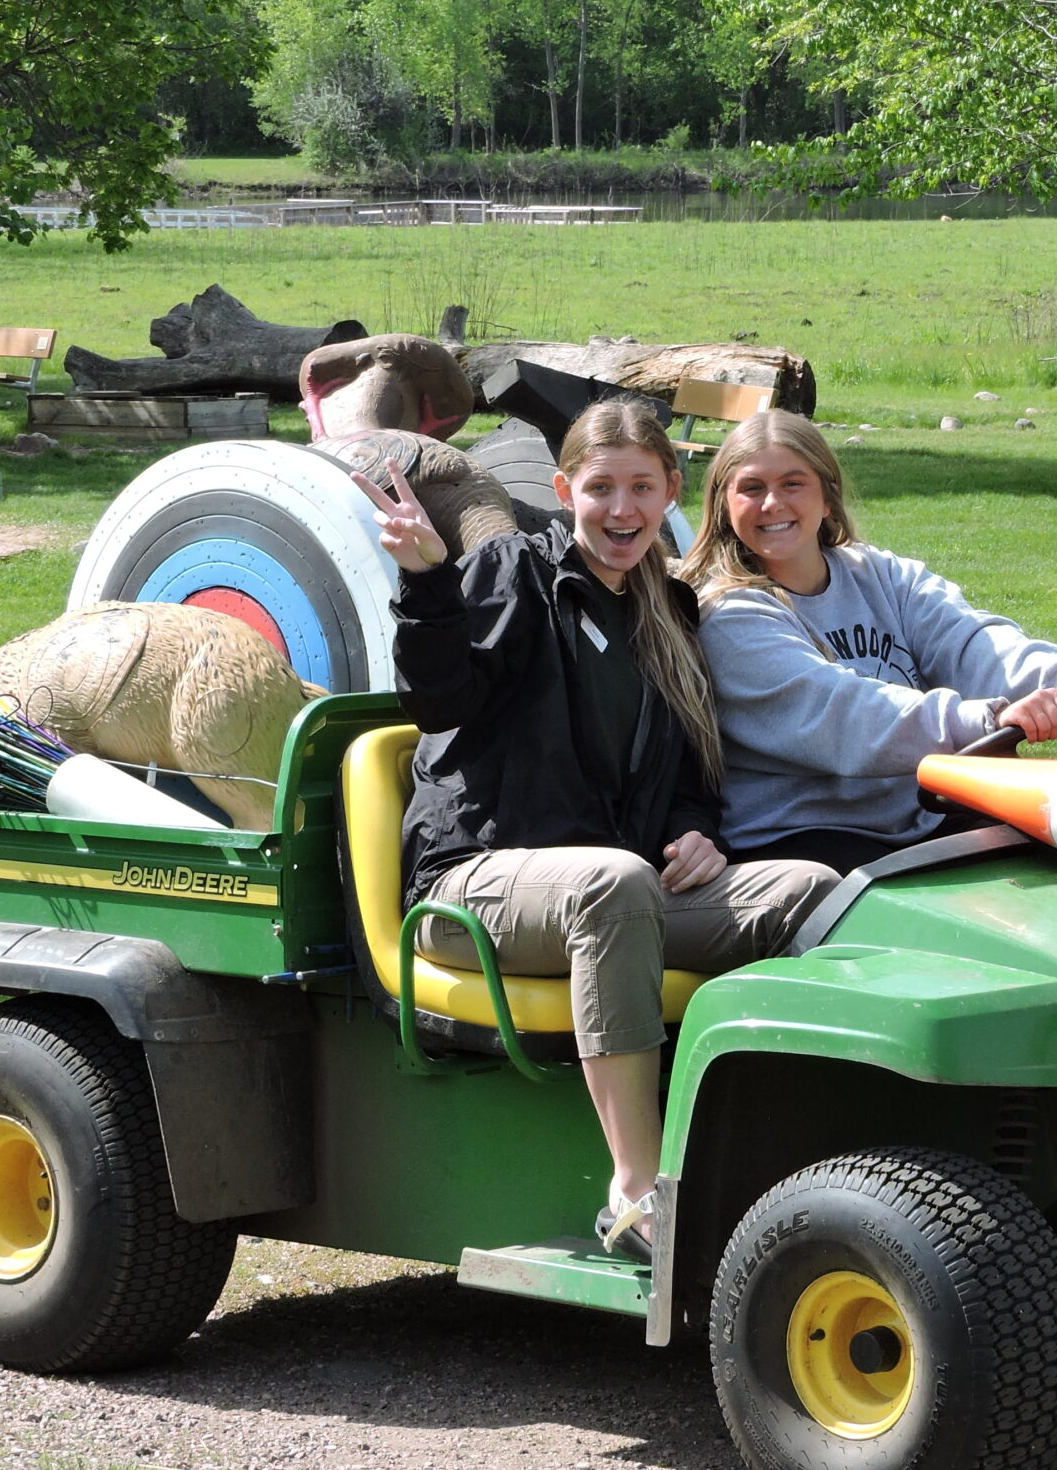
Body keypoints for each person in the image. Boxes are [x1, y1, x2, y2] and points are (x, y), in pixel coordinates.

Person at [350, 401, 837, 1261]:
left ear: (671, 493)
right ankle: (637, 1192)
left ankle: (793, 1160)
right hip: (476, 885)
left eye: (641, 489)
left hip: (618, 895)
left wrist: (696, 831)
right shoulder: (511, 571)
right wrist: (428, 583)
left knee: (810, 892)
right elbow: (440, 703)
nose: (622, 511)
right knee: (611, 882)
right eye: (601, 489)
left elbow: (688, 772)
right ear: (563, 490)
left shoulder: (671, 612)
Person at [681, 410, 1057, 875]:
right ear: (724, 506)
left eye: (793, 484)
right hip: (804, 839)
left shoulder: (881, 575)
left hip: (915, 819)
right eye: (752, 488)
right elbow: (844, 716)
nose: (772, 503)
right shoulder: (729, 614)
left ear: (827, 498)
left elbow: (970, 640)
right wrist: (987, 718)